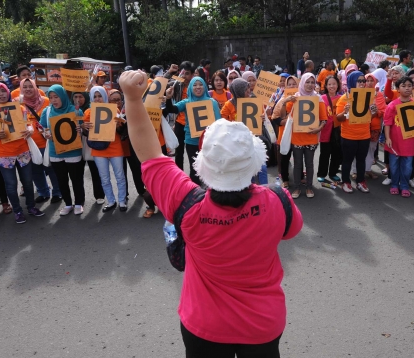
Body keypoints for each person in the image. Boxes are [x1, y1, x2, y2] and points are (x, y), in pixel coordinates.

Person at [121, 70, 303, 357]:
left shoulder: (187, 204)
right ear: (255, 162)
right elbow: (292, 231)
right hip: (263, 322)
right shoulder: (278, 201)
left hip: (203, 324)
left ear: (203, 166)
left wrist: (132, 98)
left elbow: (149, 154)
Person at [0, 82, 45, 223]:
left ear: (8, 92)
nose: (2, 94)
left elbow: (28, 124)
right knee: (11, 185)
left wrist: (30, 130)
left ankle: (31, 207)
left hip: (23, 152)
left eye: (4, 91)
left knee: (27, 182)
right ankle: (18, 211)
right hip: (3, 155)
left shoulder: (20, 108)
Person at [165, 76, 221, 185]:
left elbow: (219, 122)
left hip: (209, 142)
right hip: (192, 141)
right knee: (195, 169)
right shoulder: (186, 102)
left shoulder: (212, 102)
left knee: (211, 169)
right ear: (190, 88)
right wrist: (168, 98)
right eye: (195, 85)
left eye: (200, 84)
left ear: (205, 86)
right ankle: (196, 194)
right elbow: (171, 109)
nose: (198, 87)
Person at [40, 85, 85, 215]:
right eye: (51, 97)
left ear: (63, 96)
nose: (54, 100)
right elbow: (43, 127)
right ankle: (68, 204)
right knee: (61, 180)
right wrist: (46, 134)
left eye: (56, 97)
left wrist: (80, 130)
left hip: (73, 151)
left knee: (76, 179)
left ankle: (78, 203)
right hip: (56, 152)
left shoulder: (76, 110)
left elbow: (82, 129)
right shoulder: (47, 111)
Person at [281, 73, 327, 198]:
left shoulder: (318, 98)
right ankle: (296, 188)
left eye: (313, 82)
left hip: (311, 137)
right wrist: (285, 102)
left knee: (310, 163)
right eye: (307, 82)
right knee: (297, 164)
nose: (310, 85)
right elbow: (284, 115)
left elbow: (324, 119)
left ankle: (309, 187)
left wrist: (319, 128)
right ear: (302, 83)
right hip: (297, 137)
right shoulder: (295, 97)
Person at [83, 86, 128, 212]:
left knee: (120, 176)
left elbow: (121, 131)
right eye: (95, 96)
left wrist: (119, 124)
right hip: (98, 149)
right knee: (104, 178)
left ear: (105, 96)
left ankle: (122, 201)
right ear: (91, 98)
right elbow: (86, 134)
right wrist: (83, 127)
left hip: (115, 147)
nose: (98, 99)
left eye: (100, 96)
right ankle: (111, 201)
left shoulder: (114, 110)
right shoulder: (88, 112)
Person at [19, 78, 62, 203]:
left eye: (30, 86)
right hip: (29, 144)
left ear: (35, 87)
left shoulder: (47, 101)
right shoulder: (18, 104)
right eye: (25, 87)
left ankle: (57, 192)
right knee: (35, 171)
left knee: (52, 169)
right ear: (21, 89)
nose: (28, 89)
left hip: (48, 142)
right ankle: (43, 192)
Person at [384, 76, 414, 197]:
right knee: (393, 166)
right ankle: (394, 184)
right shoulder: (392, 105)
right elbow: (387, 123)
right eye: (403, 86)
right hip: (394, 142)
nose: (407, 88)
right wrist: (387, 138)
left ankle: (404, 186)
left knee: (408, 166)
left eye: (409, 86)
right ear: (398, 89)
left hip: (409, 143)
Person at [336, 71, 373, 193]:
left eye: (364, 81)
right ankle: (346, 182)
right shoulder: (344, 98)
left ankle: (360, 181)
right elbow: (339, 118)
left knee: (361, 160)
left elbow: (370, 117)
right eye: (359, 81)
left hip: (364, 135)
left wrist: (373, 111)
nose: (362, 83)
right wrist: (345, 111)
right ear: (352, 82)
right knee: (347, 160)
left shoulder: (369, 97)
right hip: (349, 136)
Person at [71, 91, 105, 205]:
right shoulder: (70, 110)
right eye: (75, 96)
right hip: (74, 146)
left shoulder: (93, 109)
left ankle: (99, 195)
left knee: (94, 169)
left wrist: (85, 127)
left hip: (89, 143)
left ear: (86, 97)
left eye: (80, 96)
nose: (78, 99)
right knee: (77, 174)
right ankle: (80, 200)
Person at [109, 89, 145, 198]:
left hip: (131, 145)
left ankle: (141, 190)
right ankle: (124, 194)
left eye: (118, 100)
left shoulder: (128, 109)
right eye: (113, 100)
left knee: (137, 169)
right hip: (116, 147)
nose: (116, 102)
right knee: (121, 173)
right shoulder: (106, 112)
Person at [165, 61, 194, 172]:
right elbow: (162, 84)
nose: (185, 76)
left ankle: (196, 177)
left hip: (193, 124)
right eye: (183, 73)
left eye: (187, 74)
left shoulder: (197, 86)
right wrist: (169, 72)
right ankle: (180, 176)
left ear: (192, 74)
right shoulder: (177, 85)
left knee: (194, 152)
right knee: (179, 152)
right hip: (180, 122)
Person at [317, 75, 342, 183]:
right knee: (324, 154)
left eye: (334, 84)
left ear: (338, 85)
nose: (332, 86)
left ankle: (333, 173)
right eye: (329, 84)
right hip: (325, 130)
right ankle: (322, 173)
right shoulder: (321, 98)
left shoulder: (342, 98)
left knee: (336, 153)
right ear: (326, 86)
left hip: (338, 130)